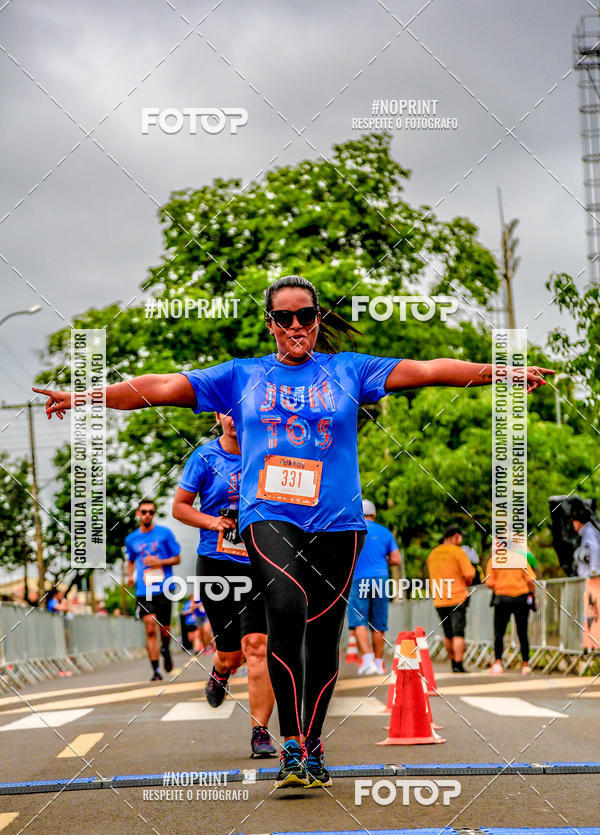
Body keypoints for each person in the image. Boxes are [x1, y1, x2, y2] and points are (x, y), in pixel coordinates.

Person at [34, 273, 552, 787]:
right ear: (271, 324)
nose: (297, 325)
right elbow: (161, 387)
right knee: (285, 606)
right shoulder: (241, 376)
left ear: (318, 318)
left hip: (338, 522)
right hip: (269, 516)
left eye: (306, 315)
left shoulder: (350, 370)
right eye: (285, 318)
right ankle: (288, 744)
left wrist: (497, 372)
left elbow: (427, 369)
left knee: (324, 636)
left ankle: (314, 744)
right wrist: (86, 396)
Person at [172, 412, 276, 759]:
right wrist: (213, 521)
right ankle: (219, 670)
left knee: (258, 646)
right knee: (232, 654)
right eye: (226, 412)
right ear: (218, 416)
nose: (234, 419)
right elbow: (180, 508)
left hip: (259, 564)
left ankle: (260, 732)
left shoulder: (268, 452)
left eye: (240, 411)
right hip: (216, 566)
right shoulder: (204, 457)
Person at [125, 498, 181, 681]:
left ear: (154, 514)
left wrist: (159, 562)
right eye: (144, 512)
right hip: (144, 590)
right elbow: (131, 560)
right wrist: (129, 576)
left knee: (164, 631)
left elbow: (177, 558)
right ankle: (156, 670)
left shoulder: (164, 534)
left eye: (151, 512)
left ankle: (165, 648)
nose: (147, 515)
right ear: (138, 514)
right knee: (150, 627)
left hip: (164, 587)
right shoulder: (131, 539)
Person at [347, 499, 402, 675]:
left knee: (360, 621)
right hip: (381, 579)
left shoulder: (353, 532)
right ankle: (378, 663)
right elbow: (397, 559)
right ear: (374, 514)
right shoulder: (385, 532)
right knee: (378, 622)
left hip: (358, 579)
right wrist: (382, 560)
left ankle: (368, 660)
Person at [426, 524, 476, 673]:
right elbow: (469, 574)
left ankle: (453, 662)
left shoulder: (432, 554)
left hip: (440, 599)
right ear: (456, 536)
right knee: (458, 633)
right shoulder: (458, 552)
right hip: (457, 597)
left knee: (447, 633)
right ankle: (459, 664)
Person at [485, 544, 536, 674]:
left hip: (502, 598)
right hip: (521, 598)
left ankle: (498, 663)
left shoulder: (494, 560)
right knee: (522, 632)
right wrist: (531, 595)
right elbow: (530, 580)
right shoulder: (520, 559)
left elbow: (489, 583)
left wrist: (500, 584)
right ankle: (526, 664)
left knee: (499, 632)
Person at [571, 506, 600, 650]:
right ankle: (591, 643)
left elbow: (595, 548)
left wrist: (594, 570)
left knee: (592, 610)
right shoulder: (589, 531)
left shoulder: (588, 532)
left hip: (593, 579)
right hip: (591, 579)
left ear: (577, 522)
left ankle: (592, 644)